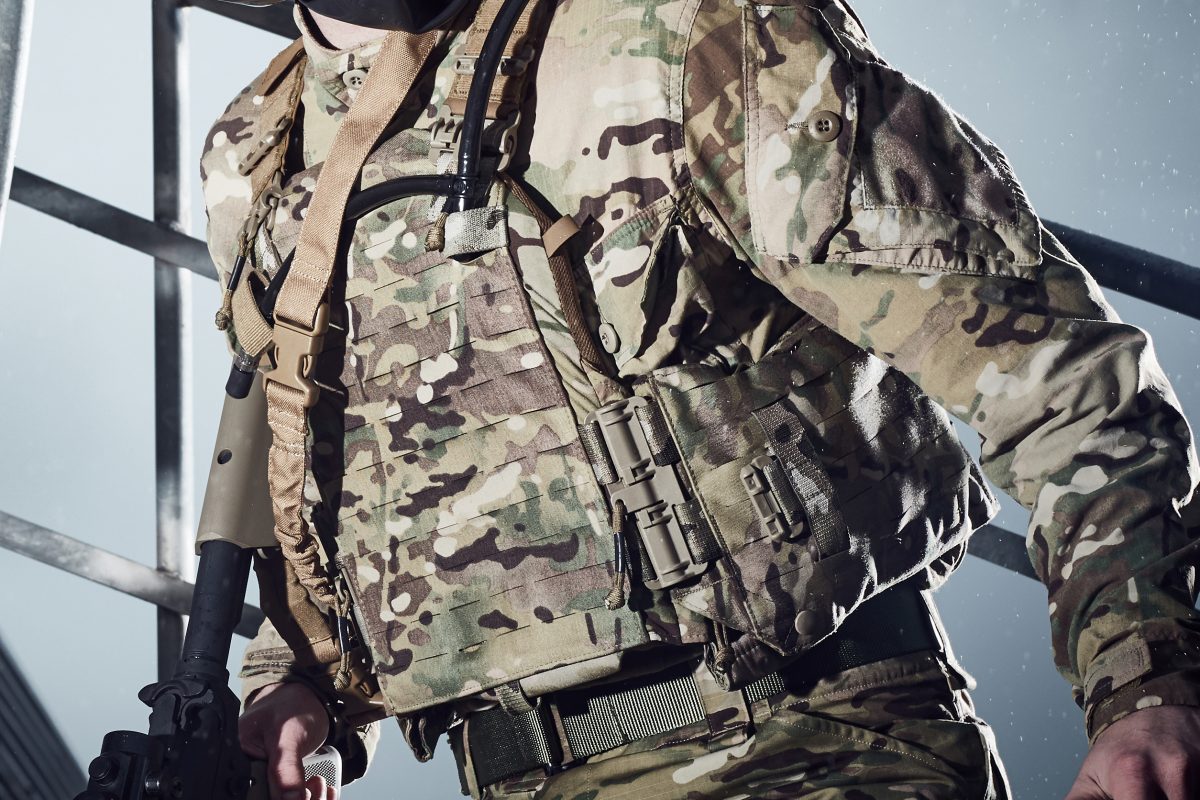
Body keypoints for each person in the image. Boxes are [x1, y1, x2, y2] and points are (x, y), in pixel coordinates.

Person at [202, 1, 1200, 798]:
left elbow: (1053, 366)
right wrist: (299, 685)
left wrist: (1146, 680)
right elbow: (347, 468)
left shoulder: (685, 34)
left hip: (809, 748)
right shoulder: (256, 151)